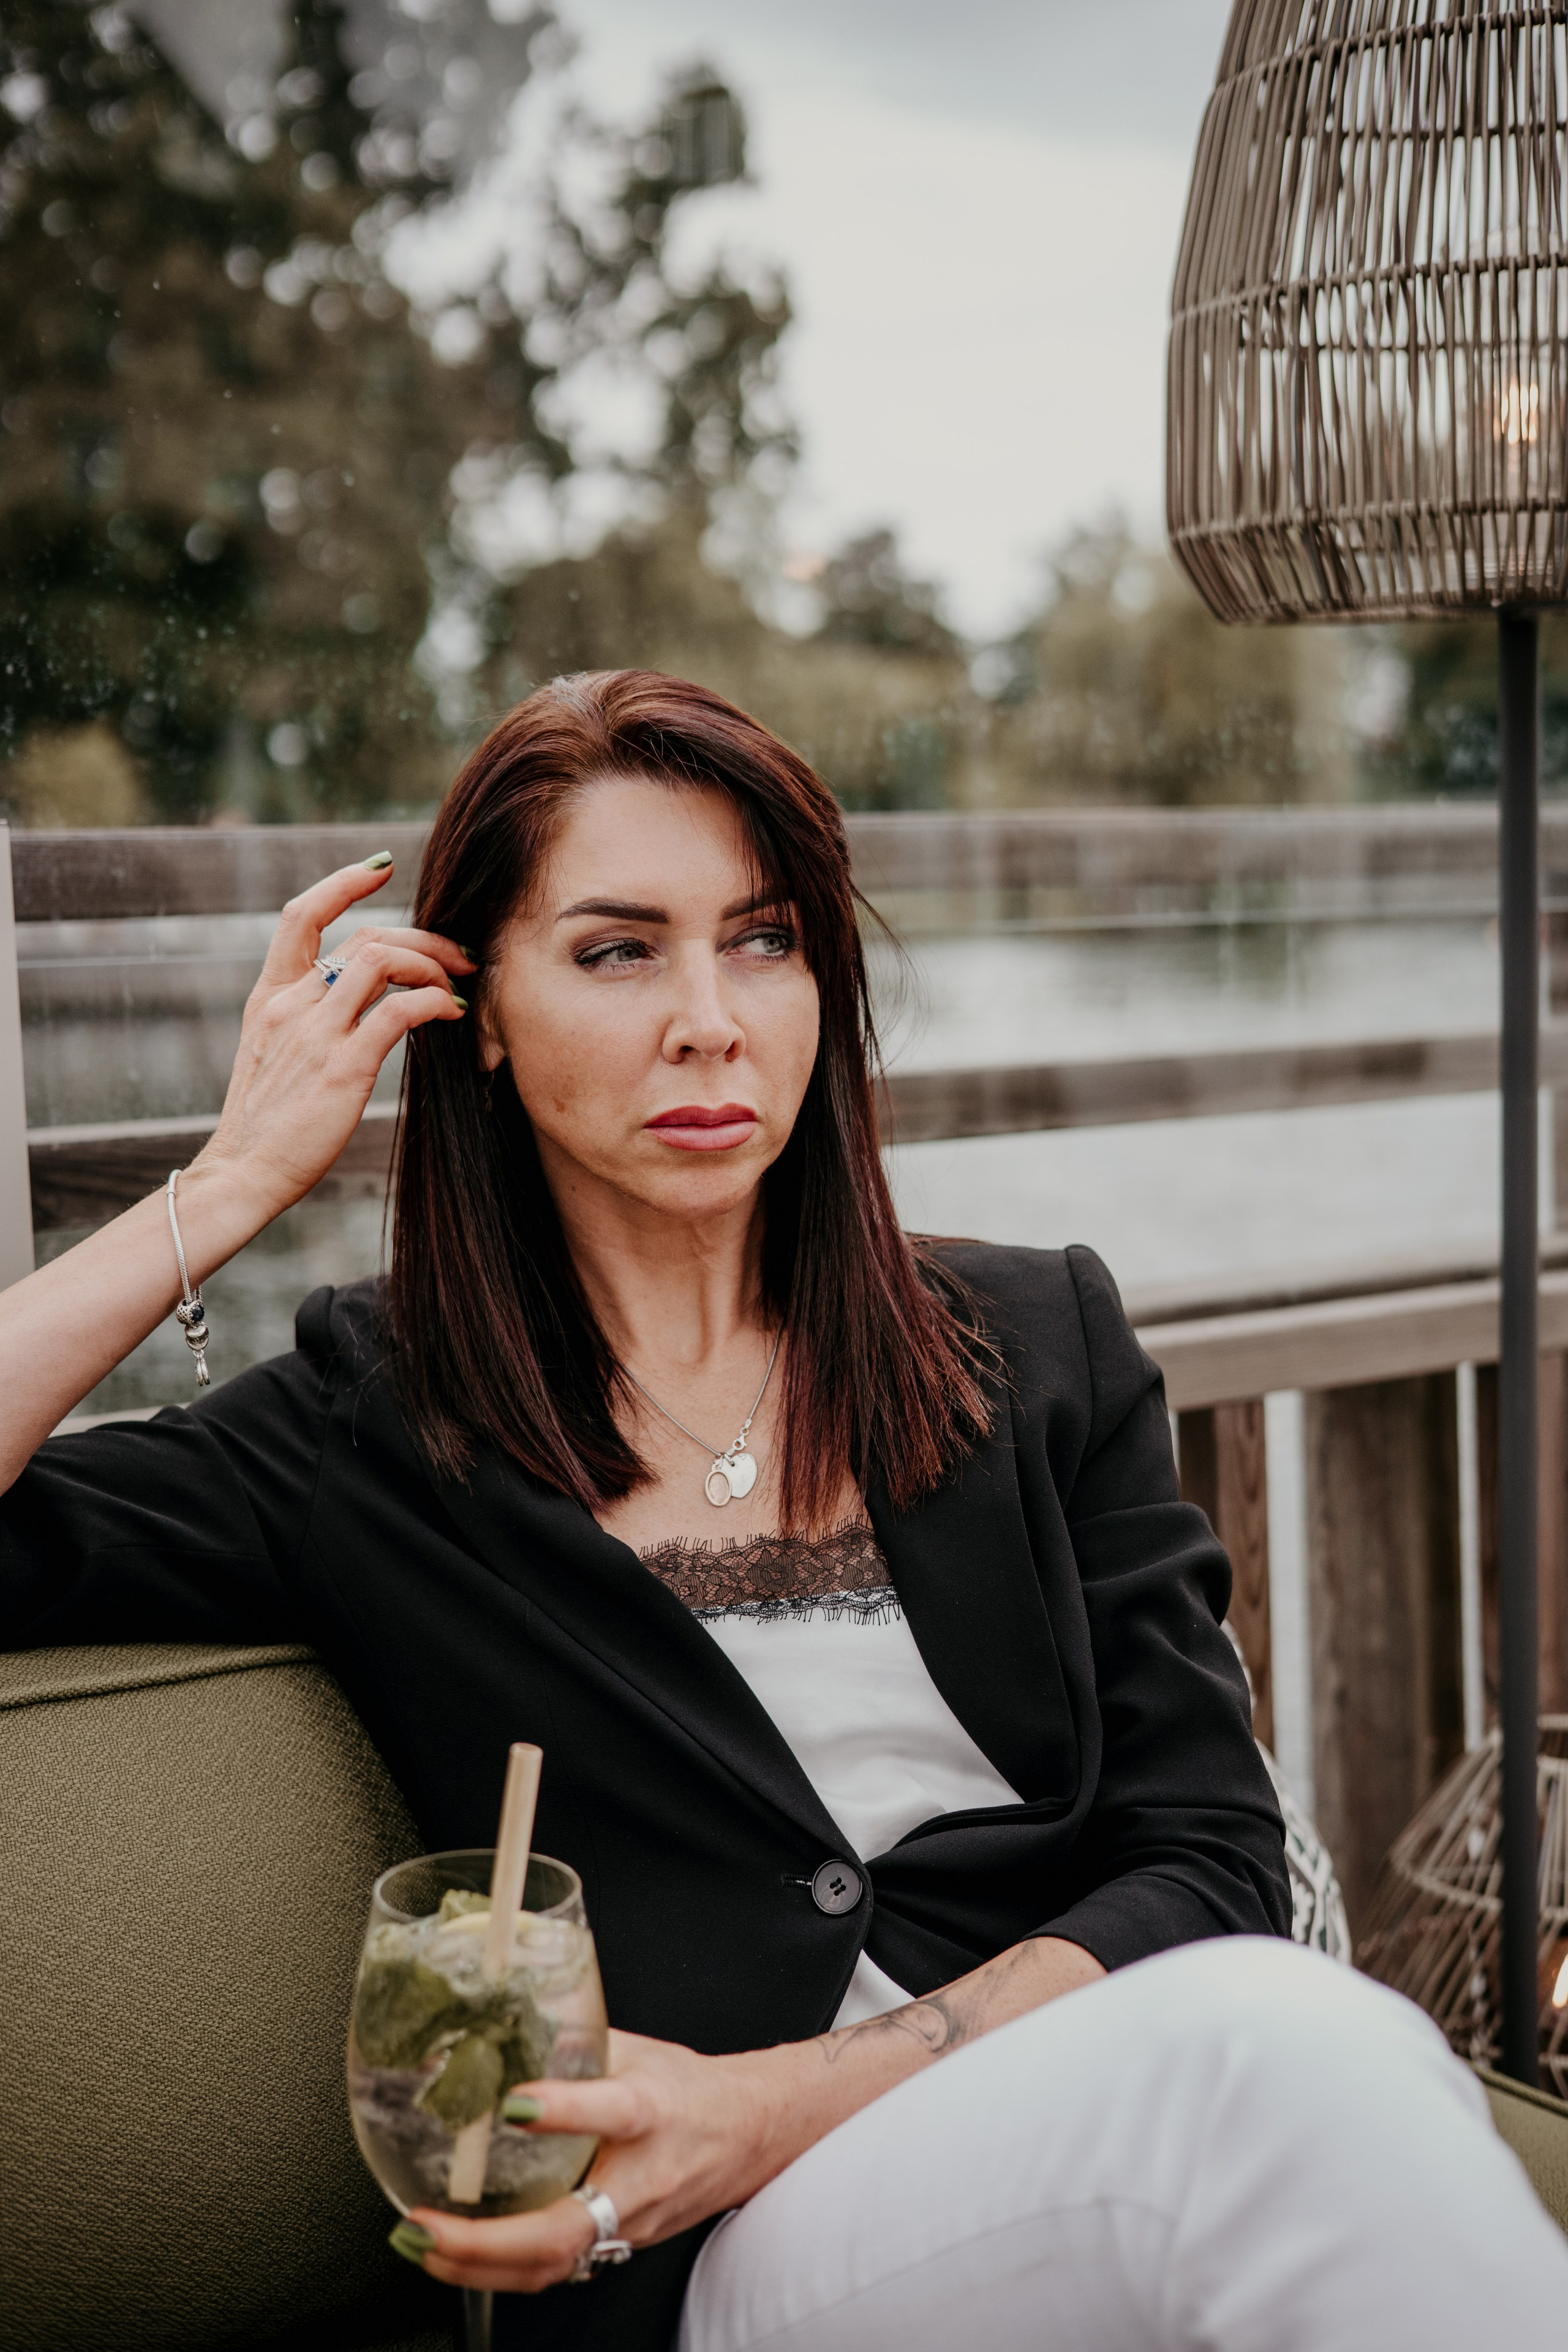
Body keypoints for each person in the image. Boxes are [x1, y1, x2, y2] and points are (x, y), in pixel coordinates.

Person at [3, 670, 1563, 2351]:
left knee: (1293, 2063)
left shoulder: (1041, 1342)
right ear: (482, 1010)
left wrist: (770, 2104)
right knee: (1290, 2066)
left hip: (1076, 2138)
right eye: (619, 951)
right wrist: (234, 1180)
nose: (710, 1018)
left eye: (763, 940)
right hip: (715, 2263)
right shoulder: (375, 1425)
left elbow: (1210, 1860)